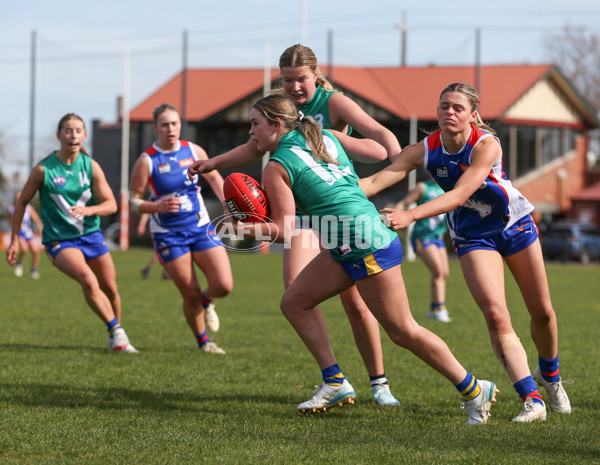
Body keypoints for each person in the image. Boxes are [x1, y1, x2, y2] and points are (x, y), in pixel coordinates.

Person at [236, 93, 497, 423]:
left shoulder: (276, 167)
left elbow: (286, 230)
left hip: (363, 242)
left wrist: (242, 229)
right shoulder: (324, 136)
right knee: (295, 301)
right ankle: (334, 382)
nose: (250, 132)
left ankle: (475, 388)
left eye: (255, 124)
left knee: (403, 330)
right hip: (351, 236)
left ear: (276, 125)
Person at [188, 44, 402, 406]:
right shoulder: (279, 110)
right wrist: (214, 163)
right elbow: (253, 149)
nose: (294, 87)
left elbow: (381, 139)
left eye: (300, 79)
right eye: (286, 80)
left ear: (316, 75)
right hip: (300, 213)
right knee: (296, 292)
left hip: (335, 213)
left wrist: (393, 171)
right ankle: (332, 376)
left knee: (356, 303)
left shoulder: (335, 103)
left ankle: (379, 383)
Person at [359, 82, 571, 422]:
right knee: (495, 314)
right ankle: (532, 399)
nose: (449, 112)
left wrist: (410, 215)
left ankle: (551, 375)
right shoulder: (426, 148)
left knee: (543, 312)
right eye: (444, 106)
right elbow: (374, 182)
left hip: (513, 226)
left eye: (458, 107)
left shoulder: (486, 145)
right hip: (473, 237)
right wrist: (329, 191)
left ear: (473, 115)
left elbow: (459, 195)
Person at [6, 113, 138, 353]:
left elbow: (112, 204)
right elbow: (22, 203)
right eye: (68, 130)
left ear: (84, 135)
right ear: (59, 136)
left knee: (111, 289)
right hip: (60, 241)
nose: (73, 135)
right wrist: (14, 239)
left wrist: (90, 210)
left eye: (78, 130)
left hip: (92, 237)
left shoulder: (90, 166)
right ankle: (118, 333)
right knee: (88, 280)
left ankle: (117, 335)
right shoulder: (43, 170)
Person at [128, 103, 232, 354]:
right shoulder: (147, 160)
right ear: (156, 128)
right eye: (164, 124)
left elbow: (215, 178)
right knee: (190, 293)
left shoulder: (193, 150)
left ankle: (207, 303)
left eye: (174, 123)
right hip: (168, 235)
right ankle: (204, 343)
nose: (170, 129)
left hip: (200, 226)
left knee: (223, 286)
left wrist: (229, 209)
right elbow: (133, 201)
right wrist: (157, 206)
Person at [395, 171, 451, 322]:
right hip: (422, 236)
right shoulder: (423, 187)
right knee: (438, 271)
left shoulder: (449, 188)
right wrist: (396, 216)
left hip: (438, 237)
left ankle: (433, 309)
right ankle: (440, 308)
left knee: (444, 273)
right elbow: (404, 203)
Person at [8, 190, 43, 279]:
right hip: (18, 233)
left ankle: (33, 271)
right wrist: (16, 224)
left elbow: (36, 218)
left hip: (28, 232)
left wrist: (40, 228)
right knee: (24, 249)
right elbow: (10, 222)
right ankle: (19, 263)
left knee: (36, 251)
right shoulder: (12, 209)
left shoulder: (29, 208)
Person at [137, 213, 170, 280]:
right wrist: (141, 225)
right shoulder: (156, 203)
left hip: (167, 229)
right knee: (163, 250)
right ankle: (165, 271)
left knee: (164, 250)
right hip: (160, 230)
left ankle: (165, 271)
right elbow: (146, 212)